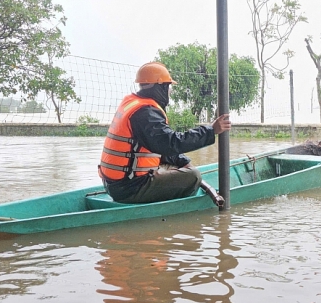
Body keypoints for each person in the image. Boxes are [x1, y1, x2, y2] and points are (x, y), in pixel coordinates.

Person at [98, 62, 231, 204]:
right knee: (193, 176)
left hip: (114, 185)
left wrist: (183, 162)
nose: (170, 91)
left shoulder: (132, 104)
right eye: (168, 86)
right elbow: (170, 143)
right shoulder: (146, 113)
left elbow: (159, 146)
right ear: (160, 87)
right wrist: (211, 130)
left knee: (178, 166)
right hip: (130, 189)